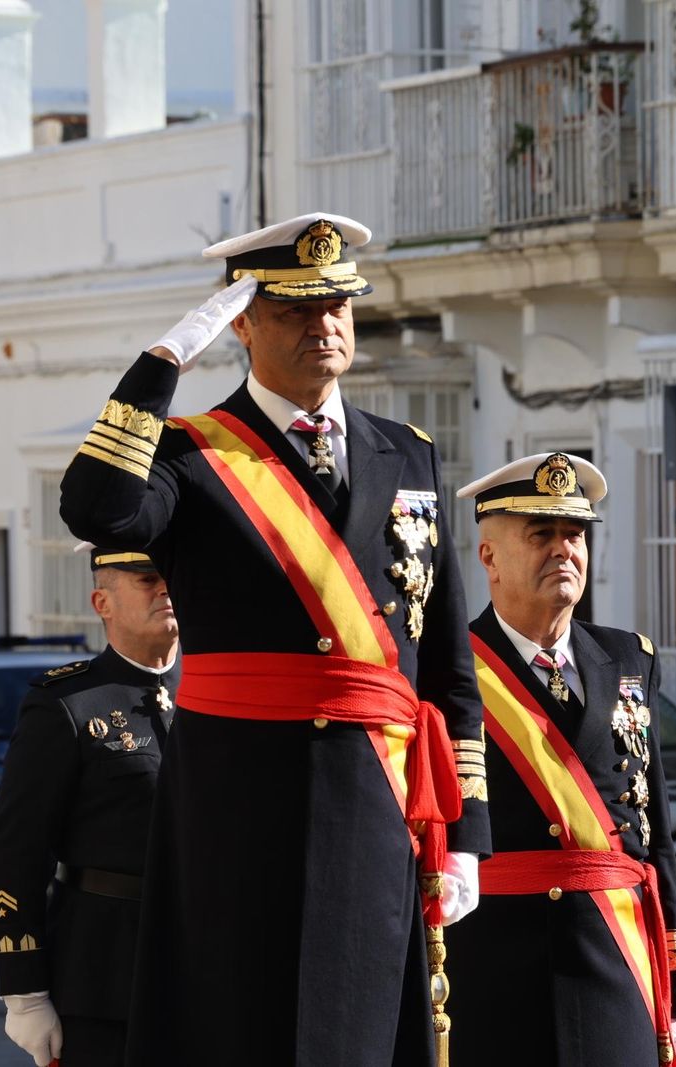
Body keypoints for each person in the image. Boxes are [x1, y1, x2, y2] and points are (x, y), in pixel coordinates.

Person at [59, 213, 489, 1065]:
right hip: (235, 803)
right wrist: (162, 364)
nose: (324, 325)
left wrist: (467, 831)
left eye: (338, 306)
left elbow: (447, 663)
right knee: (236, 1024)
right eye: (295, 309)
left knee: (362, 1029)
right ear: (243, 322)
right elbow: (94, 508)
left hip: (374, 802)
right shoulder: (187, 456)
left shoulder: (406, 455)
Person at [451, 452, 676, 1065]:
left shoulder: (629, 658)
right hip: (494, 965)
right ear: (489, 558)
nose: (564, 550)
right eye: (541, 535)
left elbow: (655, 836)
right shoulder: (446, 666)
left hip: (616, 959)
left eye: (575, 535)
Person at [0, 545, 181, 1067]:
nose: (165, 589)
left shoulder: (215, 692)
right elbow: (14, 850)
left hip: (205, 967)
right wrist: (24, 991)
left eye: (170, 577)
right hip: (105, 977)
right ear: (102, 602)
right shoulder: (68, 703)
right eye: (145, 580)